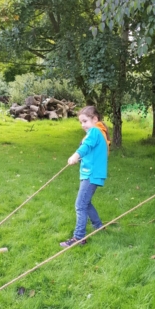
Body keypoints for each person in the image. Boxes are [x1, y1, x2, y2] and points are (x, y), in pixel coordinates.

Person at [60, 105, 110, 248]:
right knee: (85, 203)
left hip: (91, 174)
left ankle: (79, 237)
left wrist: (76, 155)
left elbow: (86, 146)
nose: (83, 125)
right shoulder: (98, 131)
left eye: (85, 121)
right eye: (81, 122)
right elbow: (92, 151)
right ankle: (98, 226)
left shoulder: (95, 131)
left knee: (80, 205)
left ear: (95, 119)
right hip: (91, 173)